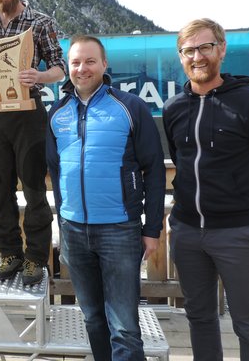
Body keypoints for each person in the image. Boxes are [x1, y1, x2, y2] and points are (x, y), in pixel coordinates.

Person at [163, 18, 249, 361]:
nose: (197, 56)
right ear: (180, 57)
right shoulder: (173, 109)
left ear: (221, 49)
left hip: (238, 234)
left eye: (205, 47)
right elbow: (182, 162)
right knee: (200, 318)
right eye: (188, 50)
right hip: (188, 233)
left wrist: (247, 215)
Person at [46, 35, 165, 360]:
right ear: (67, 67)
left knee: (124, 326)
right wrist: (62, 222)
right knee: (93, 319)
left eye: (89, 61)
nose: (82, 68)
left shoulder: (130, 107)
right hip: (73, 231)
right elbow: (56, 173)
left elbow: (154, 169)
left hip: (119, 230)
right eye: (75, 62)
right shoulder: (57, 113)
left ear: (103, 64)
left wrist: (152, 228)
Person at [0, 0, 66, 285]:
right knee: (0, 192)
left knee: (33, 190)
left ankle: (34, 258)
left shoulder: (40, 22)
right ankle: (9, 254)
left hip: (30, 113)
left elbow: (59, 67)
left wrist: (39, 77)